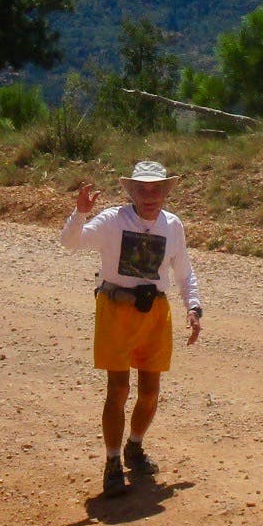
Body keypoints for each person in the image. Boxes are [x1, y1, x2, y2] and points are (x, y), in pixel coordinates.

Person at [62, 160, 203, 498]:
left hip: (154, 310)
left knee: (150, 391)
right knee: (119, 390)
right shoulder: (113, 220)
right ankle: (112, 464)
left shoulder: (173, 225)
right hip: (116, 309)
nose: (149, 196)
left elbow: (183, 270)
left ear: (165, 192)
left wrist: (193, 306)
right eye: (143, 189)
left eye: (156, 189)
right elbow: (71, 242)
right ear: (133, 192)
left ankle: (134, 447)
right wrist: (79, 213)